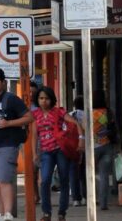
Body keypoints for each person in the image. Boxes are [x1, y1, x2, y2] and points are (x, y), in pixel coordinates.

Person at [0, 67, 34, 221]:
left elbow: (29, 117)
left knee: (4, 179)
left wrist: (9, 123)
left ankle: (9, 214)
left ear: (3, 83)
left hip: (7, 145)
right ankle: (1, 213)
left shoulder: (11, 99)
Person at [31, 86, 84, 221]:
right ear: (37, 99)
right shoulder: (35, 114)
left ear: (52, 99)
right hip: (46, 152)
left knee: (64, 180)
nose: (44, 101)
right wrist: (34, 154)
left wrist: (81, 139)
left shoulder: (59, 111)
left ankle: (62, 212)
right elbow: (34, 136)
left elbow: (75, 123)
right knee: (45, 181)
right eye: (41, 98)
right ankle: (46, 213)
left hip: (61, 149)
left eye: (47, 98)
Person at [90, 91, 118, 212]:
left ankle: (90, 199)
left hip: (92, 147)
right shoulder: (109, 112)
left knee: (89, 175)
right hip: (107, 145)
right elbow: (114, 126)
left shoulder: (89, 113)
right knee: (104, 175)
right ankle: (104, 203)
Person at [68, 96, 87, 207]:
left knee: (73, 172)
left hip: (72, 147)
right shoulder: (87, 115)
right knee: (84, 172)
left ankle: (76, 198)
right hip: (85, 146)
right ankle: (85, 196)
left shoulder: (70, 115)